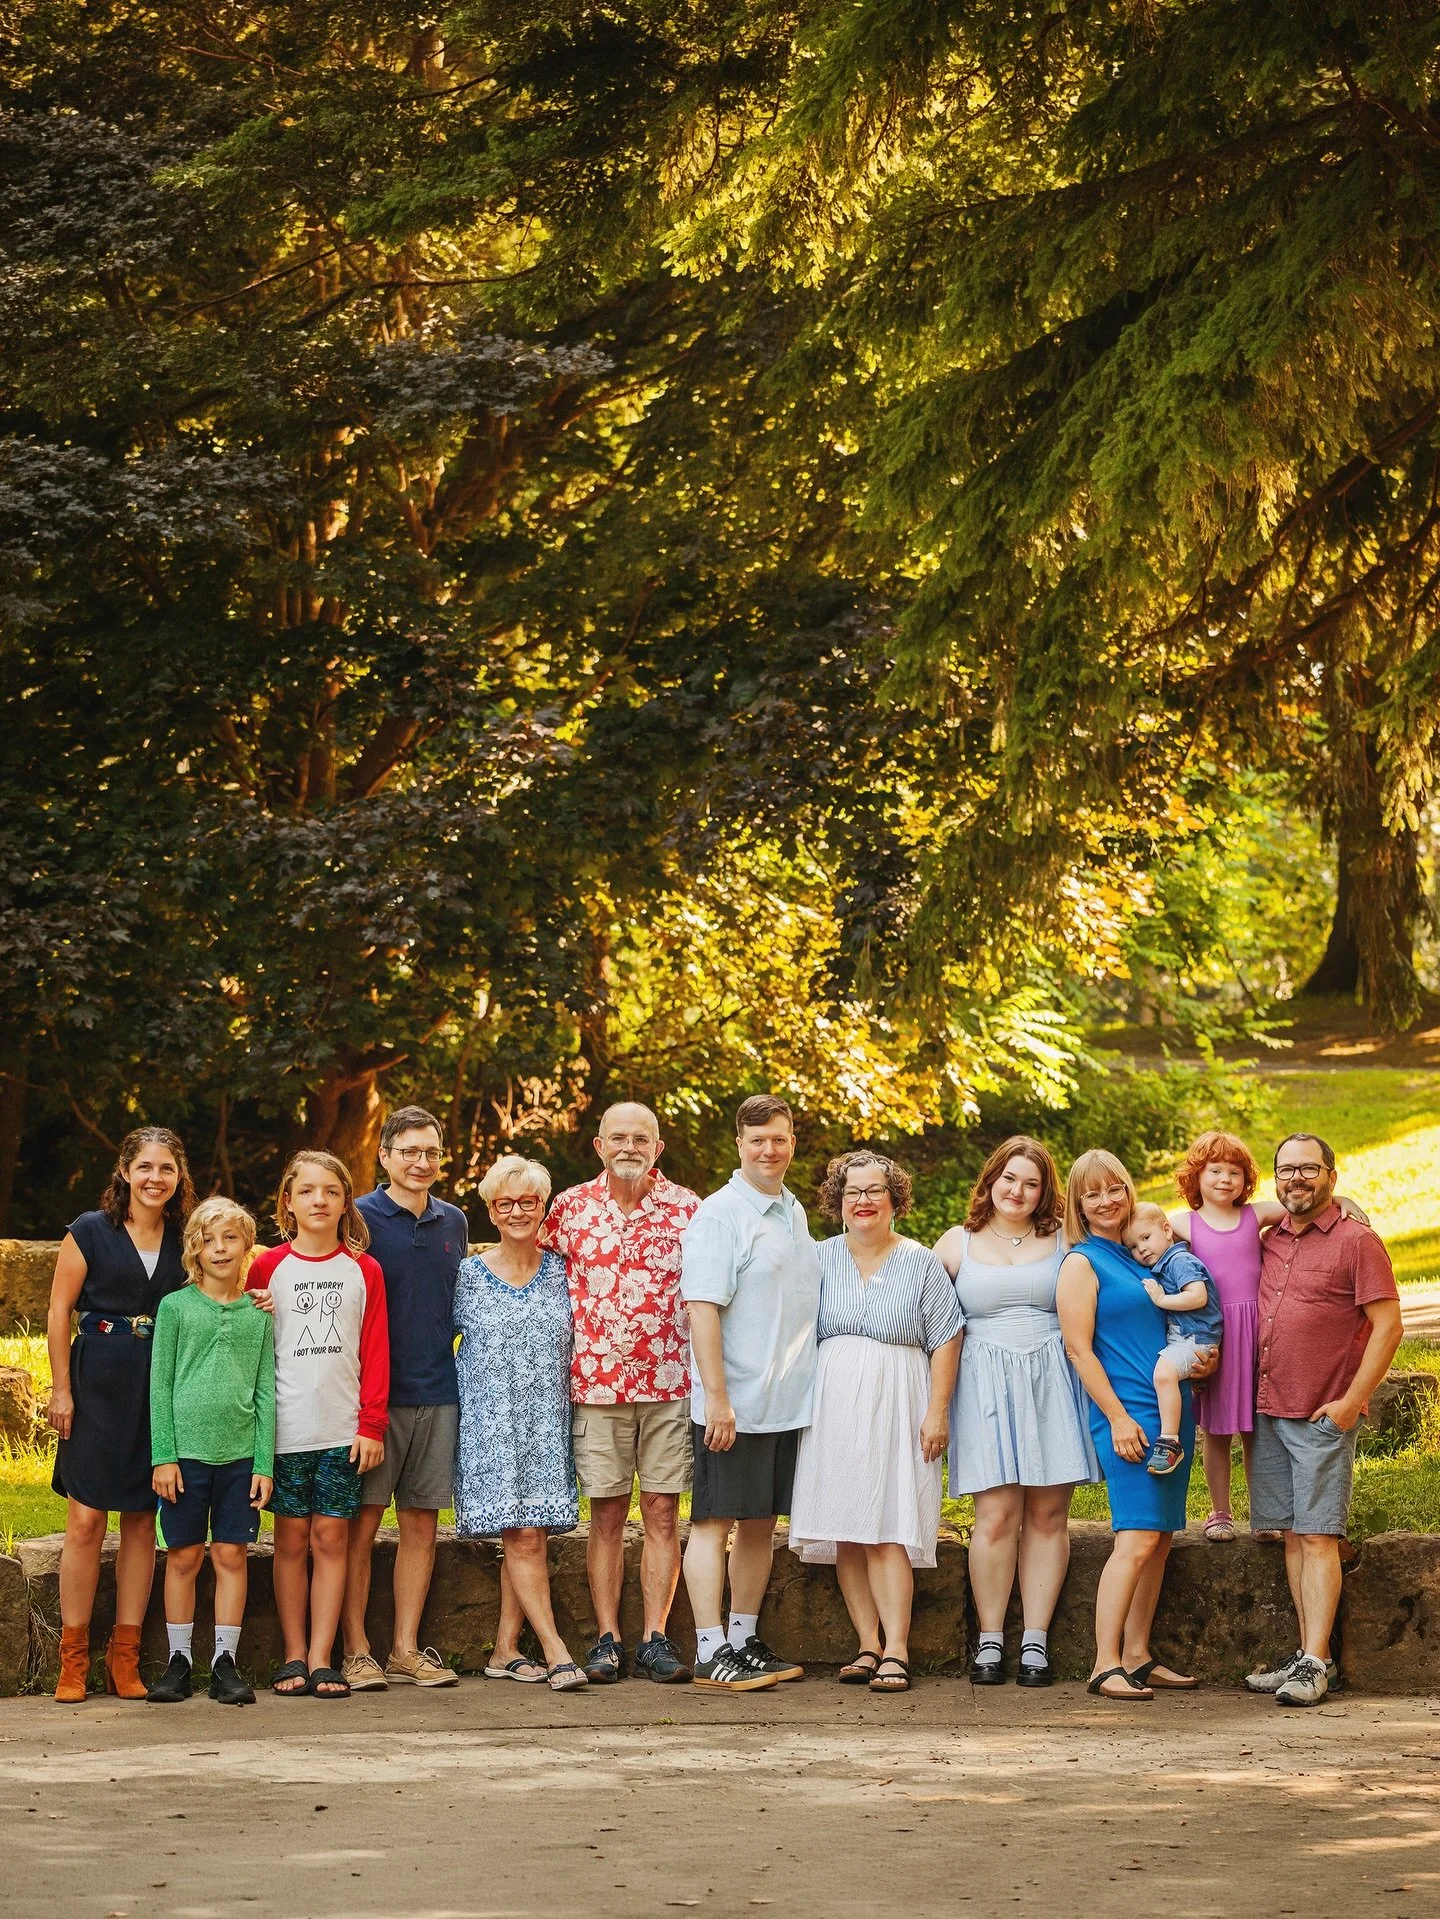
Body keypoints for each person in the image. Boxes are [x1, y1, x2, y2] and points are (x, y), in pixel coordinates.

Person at [789, 1152, 961, 1695]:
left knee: (889, 1527)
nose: (863, 1200)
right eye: (852, 1192)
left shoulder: (920, 1262)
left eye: (874, 1191)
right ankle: (867, 1643)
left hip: (899, 1404)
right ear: (838, 1203)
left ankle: (898, 1649)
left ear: (895, 1200)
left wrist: (937, 1411)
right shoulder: (816, 1259)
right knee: (847, 1530)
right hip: (831, 1410)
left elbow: (947, 1337)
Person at [542, 1101, 700, 1685]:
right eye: (618, 1137)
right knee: (606, 1513)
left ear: (658, 1148)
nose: (629, 1146)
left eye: (641, 1138)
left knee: (662, 1513)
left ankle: (656, 1638)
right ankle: (607, 1638)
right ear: (599, 1145)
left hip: (669, 1384)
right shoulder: (569, 1209)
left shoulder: (689, 1210)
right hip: (597, 1387)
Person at [1243, 1134, 1401, 1708]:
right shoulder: (1268, 1239)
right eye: (1286, 1170)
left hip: (1322, 1414)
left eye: (1309, 1169)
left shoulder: (1358, 1242)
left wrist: (1352, 1399)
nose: (1296, 1180)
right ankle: (1315, 1657)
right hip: (1267, 1410)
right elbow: (1202, 1220)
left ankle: (1313, 1659)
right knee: (1291, 1534)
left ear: (1332, 1174)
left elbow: (1388, 1328)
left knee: (1317, 1535)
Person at [935, 1136, 1098, 1687]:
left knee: (1048, 1517)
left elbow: (1153, 1229)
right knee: (997, 1516)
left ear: (1045, 1190)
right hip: (983, 1385)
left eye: (1031, 1183)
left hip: (1053, 1378)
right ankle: (989, 1640)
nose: (1018, 1191)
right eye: (1009, 1179)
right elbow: (925, 1318)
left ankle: (1035, 1642)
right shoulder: (958, 1243)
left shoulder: (1065, 1240)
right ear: (991, 1179)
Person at [1056, 1149, 1213, 1703]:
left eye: (1115, 1187)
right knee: (1137, 1534)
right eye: (1093, 1193)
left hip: (1170, 1408)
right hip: (1129, 1414)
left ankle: (1139, 1655)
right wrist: (1117, 1417)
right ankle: (1105, 1662)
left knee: (1161, 1538)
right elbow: (1078, 1350)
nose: (1107, 1200)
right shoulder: (1082, 1263)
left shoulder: (1143, 1253)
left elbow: (1225, 1213)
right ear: (1078, 1202)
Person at [47, 1127, 196, 1703]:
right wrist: (62, 1390)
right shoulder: (89, 1231)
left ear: (179, 1178)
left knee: (140, 1519)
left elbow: (223, 1287)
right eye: (146, 1167)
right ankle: (73, 1658)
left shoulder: (189, 1235)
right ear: (125, 1172)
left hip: (161, 1385)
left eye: (167, 1169)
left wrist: (259, 1297)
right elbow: (60, 1311)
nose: (155, 1178)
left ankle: (125, 1657)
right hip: (97, 1382)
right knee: (85, 1521)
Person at [680, 1093, 821, 1692]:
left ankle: (744, 1637)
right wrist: (717, 1398)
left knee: (762, 1523)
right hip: (731, 1404)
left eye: (780, 1138)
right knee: (714, 1522)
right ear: (739, 1143)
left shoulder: (793, 1211)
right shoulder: (720, 1215)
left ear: (792, 1142)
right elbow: (702, 1309)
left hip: (784, 1403)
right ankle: (710, 1648)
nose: (770, 1149)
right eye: (758, 1139)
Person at [1168, 1131, 1367, 1543]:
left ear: (1247, 1179)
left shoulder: (1256, 1215)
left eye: (1235, 1172)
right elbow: (1141, 1236)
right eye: (1214, 1171)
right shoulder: (1182, 1224)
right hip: (1216, 1336)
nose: (1225, 1179)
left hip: (1257, 1333)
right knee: (1218, 1431)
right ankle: (1220, 1510)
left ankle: (1267, 1515)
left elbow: (1311, 1203)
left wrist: (1345, 1200)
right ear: (1196, 1177)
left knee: (1257, 1430)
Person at [247, 1151, 389, 1700]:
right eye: (306, 1191)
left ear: (345, 1201)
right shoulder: (265, 1269)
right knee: (290, 1540)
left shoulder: (363, 1269)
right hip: (284, 1432)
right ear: (288, 1201)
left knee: (333, 1538)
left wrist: (371, 1424)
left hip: (342, 1430)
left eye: (331, 1191)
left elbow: (376, 1352)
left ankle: (324, 1657)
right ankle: (293, 1655)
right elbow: (253, 1354)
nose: (319, 1201)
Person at [341, 1105, 467, 1692]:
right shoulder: (357, 1217)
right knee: (361, 1525)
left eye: (432, 1153)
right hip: (373, 1399)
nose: (422, 1163)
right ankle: (356, 1650)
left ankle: (405, 1649)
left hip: (439, 1391)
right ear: (385, 1156)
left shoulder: (454, 1222)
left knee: (421, 1522)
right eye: (409, 1151)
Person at [454, 1154, 588, 1692]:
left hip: (547, 1421)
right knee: (525, 1535)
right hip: (490, 1424)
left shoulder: (564, 1271)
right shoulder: (467, 1274)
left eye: (527, 1202)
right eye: (504, 1203)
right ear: (490, 1210)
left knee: (527, 1535)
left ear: (543, 1206)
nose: (516, 1211)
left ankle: (506, 1648)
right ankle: (555, 1648)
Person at [146, 1198, 275, 1707]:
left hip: (240, 1456)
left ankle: (225, 1661)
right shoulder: (175, 1308)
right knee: (182, 1555)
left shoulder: (259, 1314)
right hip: (185, 1456)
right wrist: (163, 1455)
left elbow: (265, 1389)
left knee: (230, 1555)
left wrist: (263, 1462)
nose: (219, 1249)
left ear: (247, 1246)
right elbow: (160, 1386)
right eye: (207, 1240)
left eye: (230, 1238)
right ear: (193, 1250)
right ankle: (180, 1661)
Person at [1122, 1203, 1223, 1477]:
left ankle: (1170, 1442)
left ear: (1167, 1231)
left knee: (1164, 1374)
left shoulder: (1179, 1261)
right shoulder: (1163, 1263)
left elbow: (1198, 1295)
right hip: (1186, 1337)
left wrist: (1162, 1299)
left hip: (1195, 1338)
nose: (1140, 1249)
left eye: (1145, 1238)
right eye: (1132, 1246)